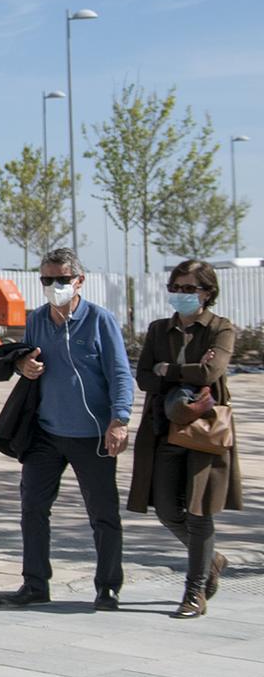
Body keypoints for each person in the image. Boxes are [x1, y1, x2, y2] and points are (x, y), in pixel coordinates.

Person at [7, 247, 134, 609]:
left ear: (79, 280)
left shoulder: (100, 320)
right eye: (47, 280)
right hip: (45, 433)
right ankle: (35, 584)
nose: (54, 286)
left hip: (92, 435)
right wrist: (23, 367)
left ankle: (108, 586)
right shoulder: (37, 320)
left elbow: (120, 373)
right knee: (32, 508)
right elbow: (28, 362)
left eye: (62, 279)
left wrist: (119, 420)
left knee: (103, 513)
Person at [128, 259, 243, 618]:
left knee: (198, 511)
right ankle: (212, 559)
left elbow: (212, 371)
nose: (180, 294)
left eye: (189, 288)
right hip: (164, 428)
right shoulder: (159, 329)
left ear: (207, 292)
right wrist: (181, 374)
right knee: (165, 509)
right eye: (175, 287)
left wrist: (170, 370)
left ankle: (195, 592)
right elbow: (144, 377)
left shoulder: (221, 329)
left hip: (204, 429)